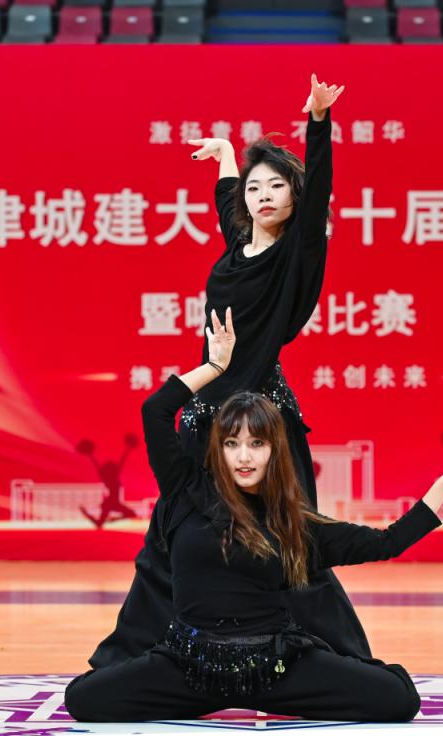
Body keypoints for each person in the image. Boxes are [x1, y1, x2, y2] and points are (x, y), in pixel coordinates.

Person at [65, 308, 443, 722]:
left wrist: (441, 487)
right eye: (232, 443)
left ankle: (283, 688)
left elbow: (386, 542)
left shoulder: (293, 523)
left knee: (398, 699)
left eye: (256, 444)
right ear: (218, 449)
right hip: (190, 669)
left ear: (274, 450)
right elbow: (155, 410)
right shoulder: (185, 490)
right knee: (83, 698)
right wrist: (215, 368)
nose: (244, 456)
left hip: (274, 671)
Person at [88, 73, 378, 670]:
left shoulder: (296, 254)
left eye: (277, 186)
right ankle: (133, 659)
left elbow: (319, 190)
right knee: (172, 537)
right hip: (203, 416)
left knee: (292, 543)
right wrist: (225, 155)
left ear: (295, 198)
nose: (263, 195)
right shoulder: (238, 244)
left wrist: (318, 121)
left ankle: (334, 662)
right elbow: (227, 201)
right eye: (255, 187)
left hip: (262, 419)